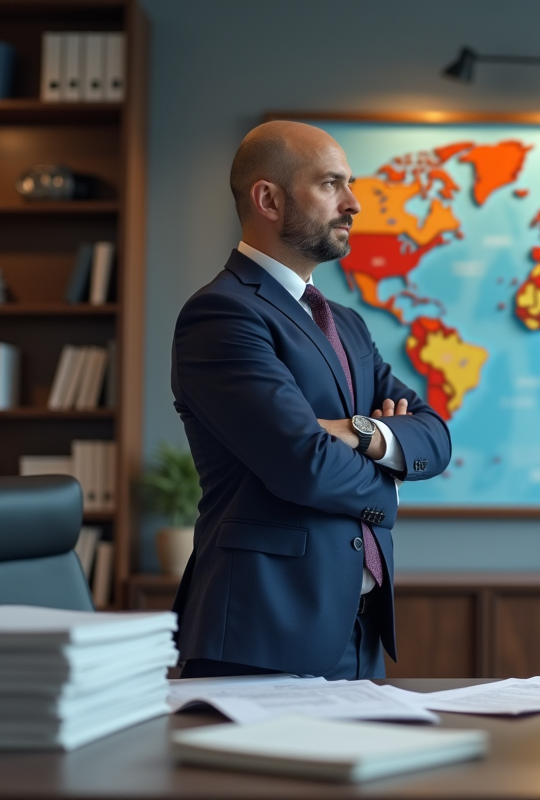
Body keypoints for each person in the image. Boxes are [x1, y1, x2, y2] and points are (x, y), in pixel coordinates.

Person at [169, 121, 452, 680]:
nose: (352, 204)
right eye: (331, 184)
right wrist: (389, 476)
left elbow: (435, 436)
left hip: (358, 629)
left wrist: (359, 432)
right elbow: (304, 465)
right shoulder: (223, 315)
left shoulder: (345, 324)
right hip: (263, 632)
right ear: (268, 198)